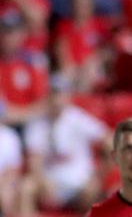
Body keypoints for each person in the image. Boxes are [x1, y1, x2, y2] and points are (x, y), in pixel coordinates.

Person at [19, 76, 111, 215]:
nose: (57, 100)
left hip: (79, 184)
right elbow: (34, 159)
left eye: (60, 94)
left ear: (67, 97)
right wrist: (42, 180)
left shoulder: (78, 118)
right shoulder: (37, 123)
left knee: (93, 189)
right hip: (50, 183)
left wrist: (99, 174)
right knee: (26, 187)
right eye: (53, 94)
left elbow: (108, 140)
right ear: (47, 97)